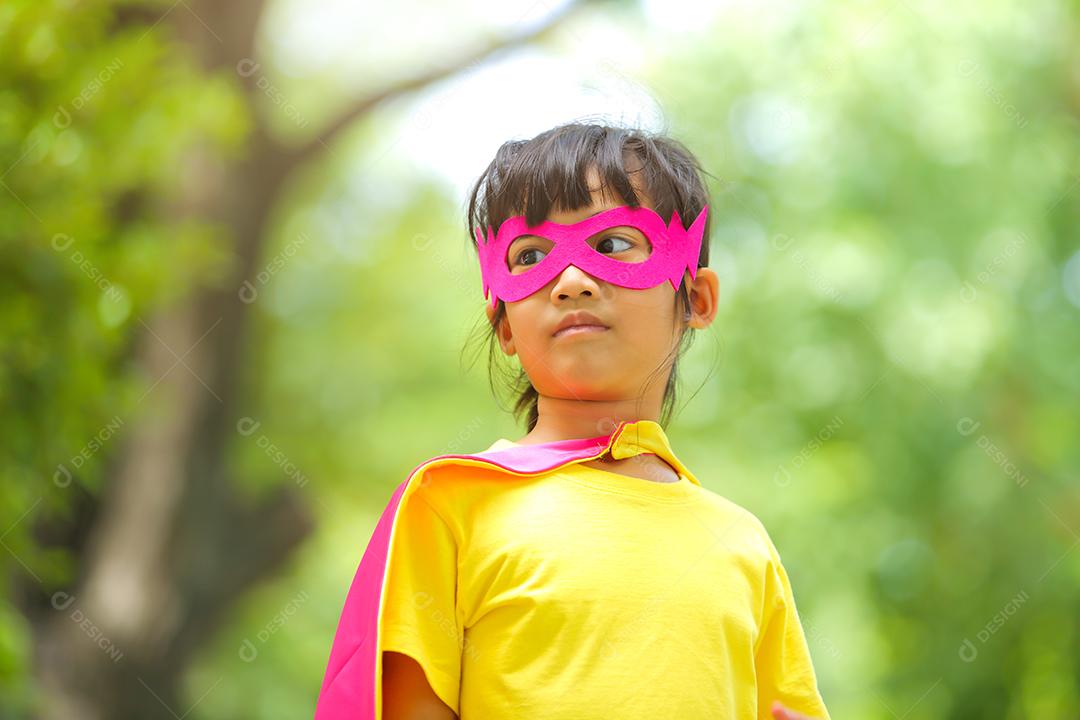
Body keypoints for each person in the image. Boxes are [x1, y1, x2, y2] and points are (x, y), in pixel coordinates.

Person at [313, 122, 830, 720]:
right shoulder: (451, 507)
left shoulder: (743, 544)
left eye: (613, 244)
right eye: (530, 256)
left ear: (695, 299)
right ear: (504, 323)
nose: (572, 281)